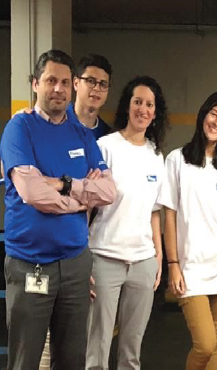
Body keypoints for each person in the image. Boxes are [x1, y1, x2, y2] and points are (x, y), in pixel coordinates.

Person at [0, 49, 116, 370]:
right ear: (36, 84)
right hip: (30, 265)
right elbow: (32, 192)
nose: (59, 89)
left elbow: (107, 191)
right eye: (51, 80)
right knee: (25, 361)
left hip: (76, 266)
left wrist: (63, 185)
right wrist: (80, 193)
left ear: (72, 86)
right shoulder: (19, 129)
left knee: (71, 361)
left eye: (66, 82)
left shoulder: (81, 132)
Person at [159, 92, 217, 370]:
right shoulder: (177, 160)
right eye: (214, 114)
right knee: (205, 344)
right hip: (191, 271)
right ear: (203, 115)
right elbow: (169, 217)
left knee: (216, 345)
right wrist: (172, 264)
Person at [85, 76, 169, 370]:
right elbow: (86, 205)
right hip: (104, 257)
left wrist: (158, 256)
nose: (143, 109)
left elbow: (154, 211)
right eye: (138, 102)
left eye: (149, 104)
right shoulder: (105, 147)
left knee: (131, 351)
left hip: (143, 262)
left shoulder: (157, 156)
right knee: (97, 347)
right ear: (127, 106)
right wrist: (83, 255)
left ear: (155, 113)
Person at [68, 54, 113, 139]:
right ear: (76, 83)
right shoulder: (56, 123)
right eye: (91, 81)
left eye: (103, 84)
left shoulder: (107, 136)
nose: (97, 88)